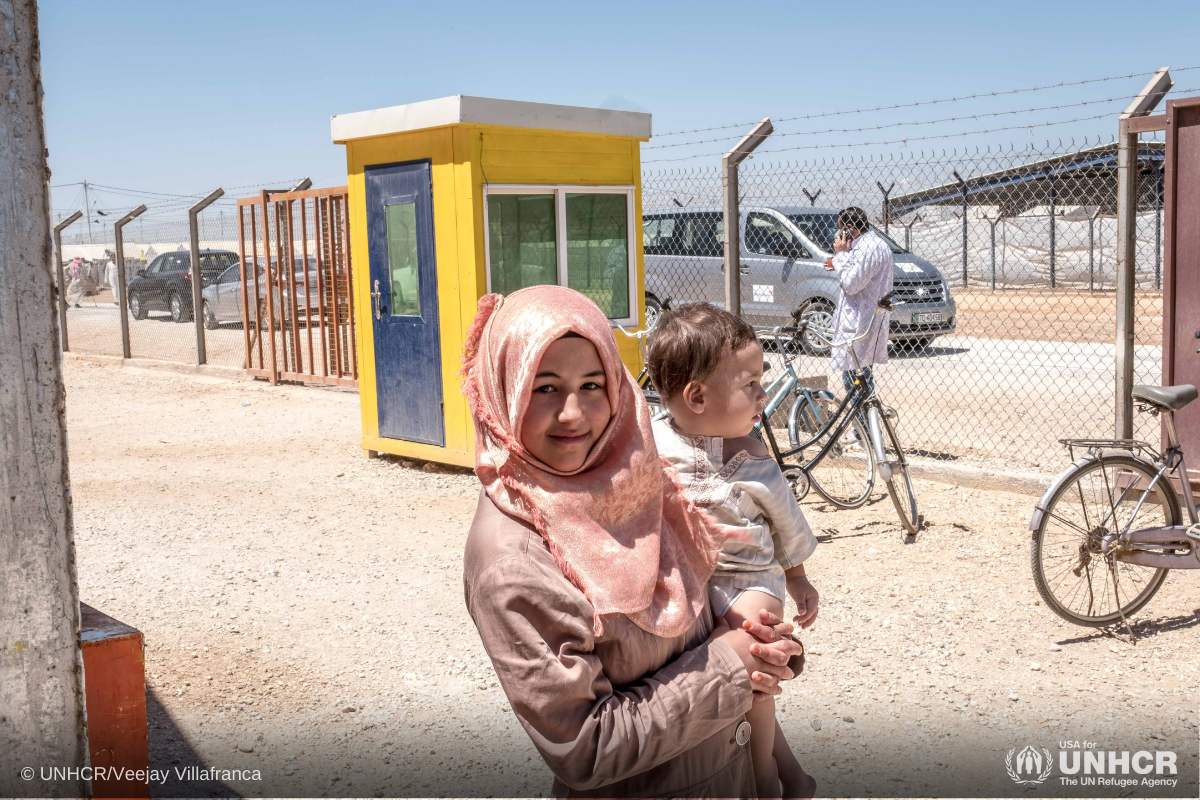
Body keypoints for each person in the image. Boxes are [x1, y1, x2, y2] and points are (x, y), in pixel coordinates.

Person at [461, 285, 805, 798]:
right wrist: (733, 664)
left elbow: (712, 600)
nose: (573, 414)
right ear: (504, 392)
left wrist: (766, 642)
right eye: (545, 388)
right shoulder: (515, 559)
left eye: (593, 385)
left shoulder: (636, 477)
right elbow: (587, 748)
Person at [647, 302, 820, 799]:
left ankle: (763, 776)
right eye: (750, 385)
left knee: (757, 657)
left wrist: (797, 577)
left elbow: (786, 522)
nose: (763, 395)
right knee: (727, 674)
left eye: (760, 381)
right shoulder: (655, 441)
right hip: (698, 579)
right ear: (696, 397)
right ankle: (793, 774)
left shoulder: (754, 455)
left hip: (750, 578)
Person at [824, 206, 894, 395]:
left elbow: (851, 284)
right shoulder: (871, 245)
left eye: (841, 229)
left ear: (849, 228)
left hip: (859, 321)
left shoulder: (868, 248)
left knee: (856, 381)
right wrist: (841, 260)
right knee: (859, 377)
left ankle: (863, 424)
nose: (839, 235)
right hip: (862, 318)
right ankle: (865, 423)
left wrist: (840, 255)